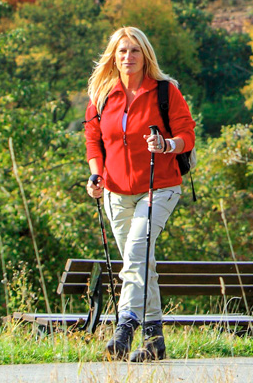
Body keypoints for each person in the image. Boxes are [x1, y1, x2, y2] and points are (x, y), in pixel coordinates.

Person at [83, 27, 196, 362]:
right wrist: (96, 174)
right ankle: (154, 342)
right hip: (115, 192)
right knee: (140, 263)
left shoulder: (165, 91)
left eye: (134, 51)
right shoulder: (103, 94)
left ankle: (125, 326)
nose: (128, 57)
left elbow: (187, 135)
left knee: (135, 252)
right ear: (113, 57)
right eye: (122, 52)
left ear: (145, 55)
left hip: (159, 187)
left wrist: (166, 145)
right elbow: (93, 140)